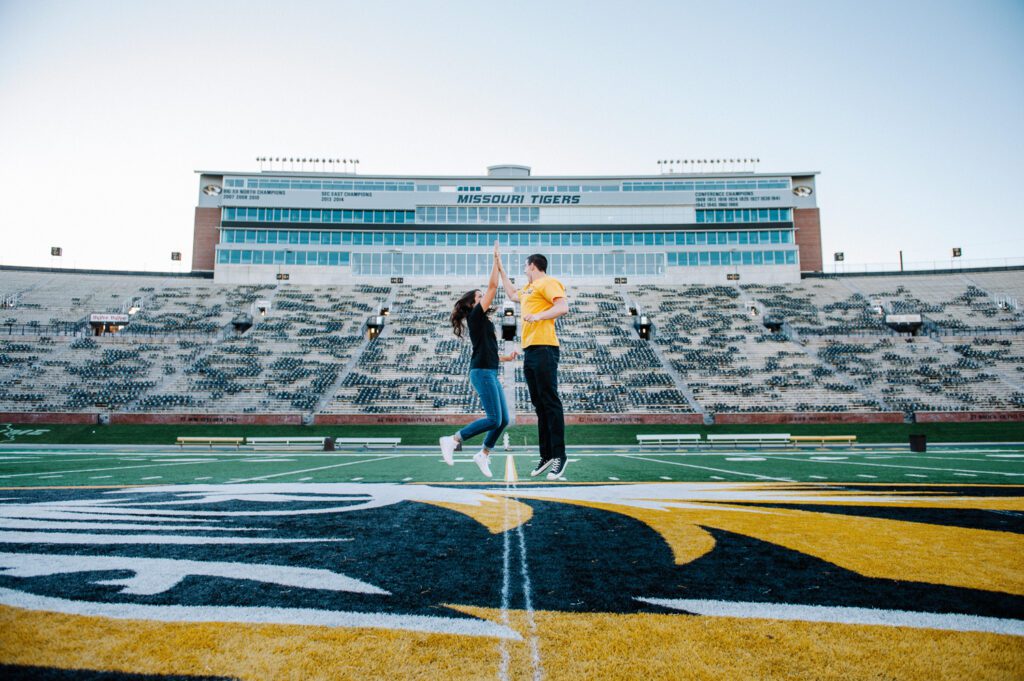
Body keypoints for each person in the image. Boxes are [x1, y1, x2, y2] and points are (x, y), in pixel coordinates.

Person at [439, 243, 517, 478]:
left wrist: (506, 357)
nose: (485, 298)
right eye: (480, 297)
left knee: (503, 420)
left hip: (489, 370)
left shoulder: (485, 322)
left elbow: (489, 351)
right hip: (481, 372)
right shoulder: (475, 316)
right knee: (494, 418)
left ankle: (483, 454)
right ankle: (453, 440)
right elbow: (493, 285)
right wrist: (496, 261)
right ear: (473, 304)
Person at [496, 248, 570, 480]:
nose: (524, 268)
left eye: (525, 265)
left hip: (545, 348)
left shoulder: (548, 282)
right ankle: (546, 454)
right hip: (530, 350)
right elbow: (511, 293)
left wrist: (538, 316)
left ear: (533, 266)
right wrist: (500, 268)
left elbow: (562, 307)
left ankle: (560, 455)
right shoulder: (528, 289)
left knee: (550, 402)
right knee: (539, 405)